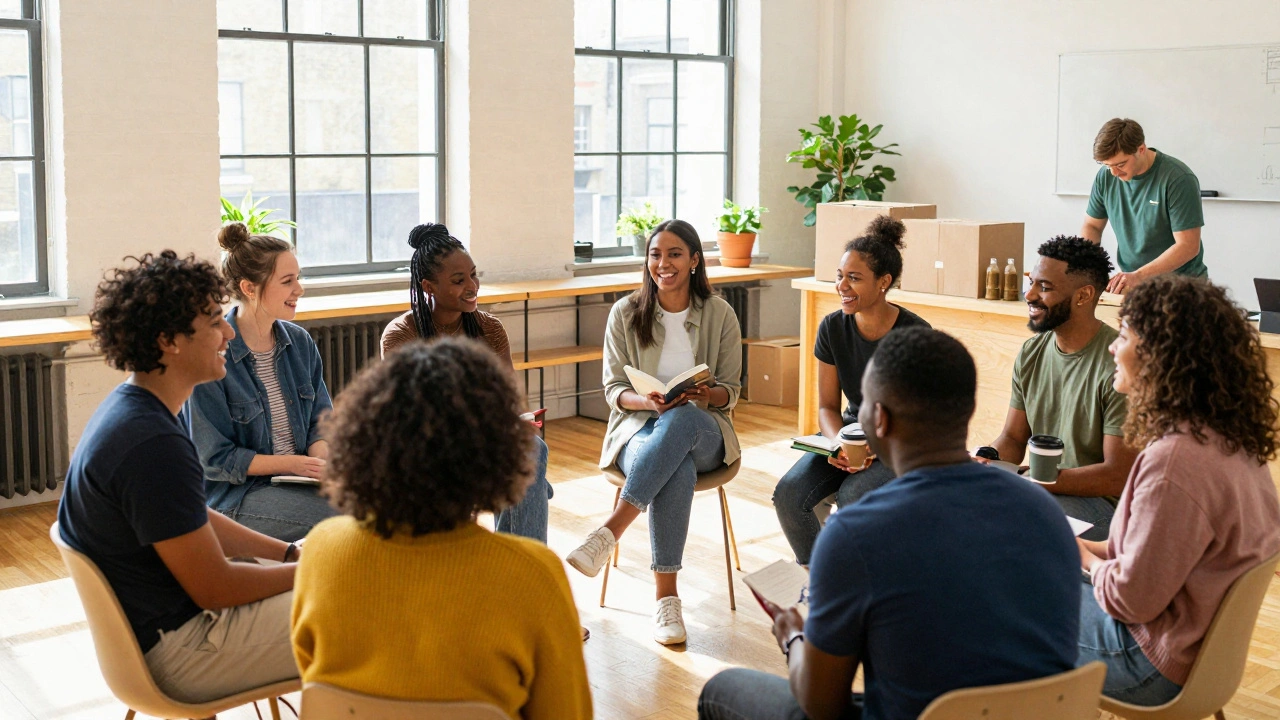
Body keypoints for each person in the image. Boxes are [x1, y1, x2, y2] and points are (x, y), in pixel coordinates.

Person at [699, 328, 1080, 720]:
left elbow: (822, 705)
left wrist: (794, 635)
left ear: (877, 419)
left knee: (720, 691)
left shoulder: (854, 535)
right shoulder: (1044, 510)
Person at [291, 339, 592, 719]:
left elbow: (310, 673)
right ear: (494, 450)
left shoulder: (322, 551)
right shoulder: (533, 575)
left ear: (366, 438)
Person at [57, 251, 299, 704]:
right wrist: (313, 572)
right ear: (169, 339)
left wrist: (288, 554)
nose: (228, 331)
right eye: (213, 321)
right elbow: (217, 588)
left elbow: (194, 518)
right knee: (364, 605)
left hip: (164, 636)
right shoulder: (151, 443)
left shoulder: (133, 409)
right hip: (184, 651)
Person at [1078, 276, 1280, 705]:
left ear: (1161, 355)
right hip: (1201, 656)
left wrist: (1078, 558)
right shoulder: (1232, 438)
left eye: (1124, 337)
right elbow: (1148, 556)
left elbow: (1130, 601)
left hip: (1149, 663)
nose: (1113, 348)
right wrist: (1081, 547)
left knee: (1001, 598)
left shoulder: (1174, 461)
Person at [565, 219, 742, 646]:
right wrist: (649, 402)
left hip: (706, 431)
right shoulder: (625, 313)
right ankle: (667, 600)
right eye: (655, 254)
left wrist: (705, 392)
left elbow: (732, 391)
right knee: (673, 467)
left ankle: (608, 532)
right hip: (639, 429)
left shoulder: (720, 313)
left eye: (675, 254)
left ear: (696, 260)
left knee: (681, 423)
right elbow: (613, 390)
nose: (663, 264)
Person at [772, 216, 929, 566]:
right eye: (840, 275)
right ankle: (819, 580)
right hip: (851, 433)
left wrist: (872, 447)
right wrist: (838, 443)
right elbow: (827, 406)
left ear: (884, 282)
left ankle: (855, 586)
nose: (842, 285)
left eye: (854, 278)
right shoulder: (831, 327)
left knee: (853, 494)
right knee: (789, 493)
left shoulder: (915, 334)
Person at [380, 223, 550, 543]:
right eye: (459, 281)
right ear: (428, 286)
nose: (472, 286)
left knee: (532, 448)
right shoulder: (402, 335)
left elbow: (509, 399)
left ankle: (524, 566)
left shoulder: (490, 329)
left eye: (473, 275)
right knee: (529, 470)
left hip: (483, 442)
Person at [189, 222, 335, 542]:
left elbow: (321, 421)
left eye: (298, 278)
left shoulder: (300, 343)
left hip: (299, 481)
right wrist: (295, 465)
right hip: (235, 497)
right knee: (344, 522)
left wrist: (320, 461)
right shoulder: (212, 359)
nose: (299, 289)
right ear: (249, 288)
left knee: (385, 502)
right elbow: (214, 459)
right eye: (287, 281)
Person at [985, 236, 1137, 541]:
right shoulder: (1032, 352)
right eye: (1031, 282)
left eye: (1045, 287)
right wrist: (986, 459)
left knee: (1011, 530)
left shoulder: (1121, 365)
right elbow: (1014, 438)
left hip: (1106, 507)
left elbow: (1117, 477)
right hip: (1048, 490)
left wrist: (1036, 481)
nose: (1029, 295)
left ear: (1083, 296)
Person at [1080, 118, 1206, 294]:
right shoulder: (1105, 176)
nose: (1114, 173)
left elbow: (1188, 246)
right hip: (1134, 285)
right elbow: (1092, 226)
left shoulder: (1178, 178)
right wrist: (1089, 267)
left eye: (1120, 164)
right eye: (1107, 166)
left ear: (1141, 149)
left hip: (1180, 289)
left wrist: (1139, 275)